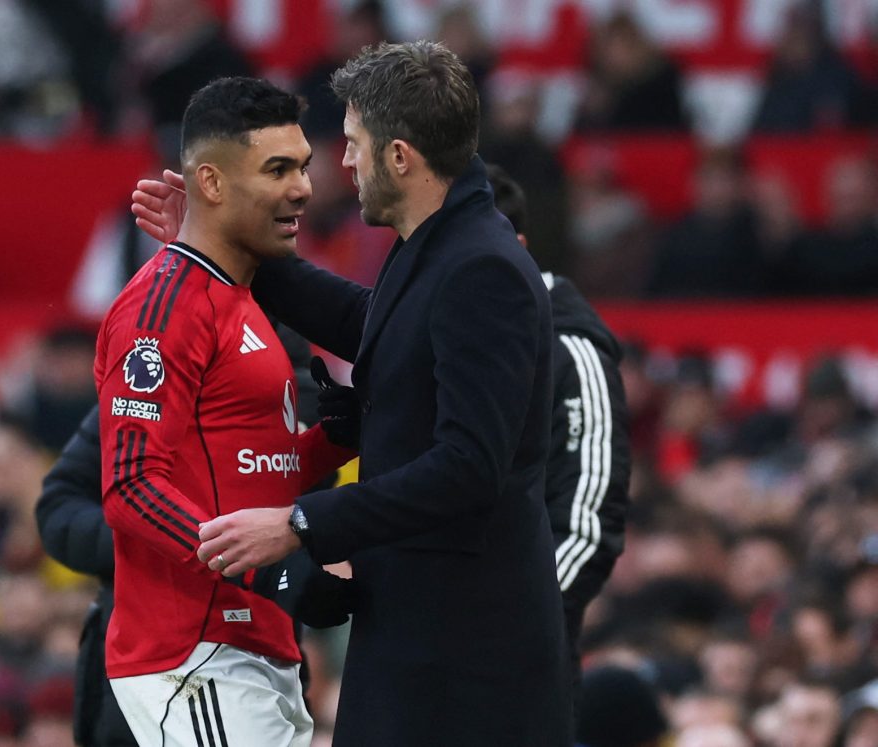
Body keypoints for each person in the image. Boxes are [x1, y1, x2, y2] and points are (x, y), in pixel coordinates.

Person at [134, 41, 573, 745]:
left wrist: (301, 523)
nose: (343, 164)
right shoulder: (443, 243)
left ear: (399, 156)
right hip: (426, 633)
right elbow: (375, 325)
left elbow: (469, 465)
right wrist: (231, 247)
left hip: (466, 662)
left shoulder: (480, 268)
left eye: (354, 144)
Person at [93, 76, 355, 746]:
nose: (302, 188)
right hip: (195, 651)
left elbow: (252, 468)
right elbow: (130, 486)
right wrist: (268, 569)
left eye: (303, 167)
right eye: (277, 169)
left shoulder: (243, 301)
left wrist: (335, 439)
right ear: (209, 182)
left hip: (252, 644)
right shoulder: (162, 308)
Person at [35, 322, 340, 747]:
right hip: (139, 649)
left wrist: (186, 535)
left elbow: (310, 489)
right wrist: (154, 539)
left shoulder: (278, 360)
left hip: (247, 641)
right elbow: (58, 506)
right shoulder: (153, 364)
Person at [487, 164, 630, 657]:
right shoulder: (435, 340)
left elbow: (587, 527)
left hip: (513, 656)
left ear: (516, 248)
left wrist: (509, 624)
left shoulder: (570, 352)